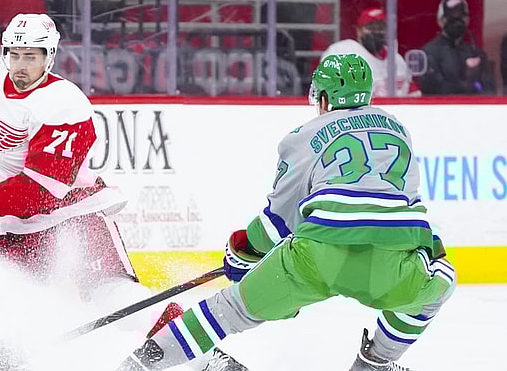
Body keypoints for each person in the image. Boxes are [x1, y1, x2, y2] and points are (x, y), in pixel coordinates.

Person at [0, 13, 247, 371]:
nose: (20, 66)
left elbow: (41, 192)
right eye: (14, 54)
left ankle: (210, 360)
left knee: (114, 297)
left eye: (31, 56)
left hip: (75, 218)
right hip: (22, 226)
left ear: (49, 57)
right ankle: (5, 355)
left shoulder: (66, 105)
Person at [114, 54, 456, 371]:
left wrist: (243, 254)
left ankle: (143, 362)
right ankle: (375, 362)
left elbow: (278, 221)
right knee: (441, 286)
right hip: (389, 261)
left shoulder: (304, 136)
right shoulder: (398, 130)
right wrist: (431, 251)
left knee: (228, 310)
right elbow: (409, 207)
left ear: (323, 98)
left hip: (319, 255)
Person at [322, 7, 415, 97]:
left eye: (380, 28)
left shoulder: (396, 59)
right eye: (371, 28)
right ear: (359, 31)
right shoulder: (343, 51)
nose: (376, 32)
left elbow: (413, 92)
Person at [421, 0, 493, 95]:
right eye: (450, 17)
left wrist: (474, 83)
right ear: (440, 20)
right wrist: (468, 85)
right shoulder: (429, 52)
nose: (456, 21)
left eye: (461, 17)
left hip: (473, 109)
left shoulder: (476, 53)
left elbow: (487, 90)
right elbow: (433, 89)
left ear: (467, 20)